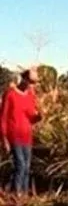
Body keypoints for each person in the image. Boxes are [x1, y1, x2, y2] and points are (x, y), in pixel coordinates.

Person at [0, 67, 43, 197]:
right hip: (14, 136)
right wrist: (4, 139)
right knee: (21, 165)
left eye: (34, 82)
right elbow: (3, 117)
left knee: (27, 167)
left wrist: (39, 117)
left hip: (27, 137)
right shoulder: (10, 94)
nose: (32, 85)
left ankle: (23, 193)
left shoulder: (30, 95)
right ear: (23, 79)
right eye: (30, 81)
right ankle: (16, 192)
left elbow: (31, 117)